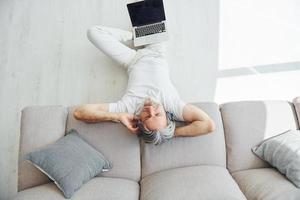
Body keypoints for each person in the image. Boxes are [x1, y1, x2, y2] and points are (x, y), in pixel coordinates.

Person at [73, 25, 215, 145]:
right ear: (167, 117)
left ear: (139, 120)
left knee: (93, 32)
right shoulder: (173, 106)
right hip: (157, 53)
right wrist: (171, 134)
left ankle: (140, 34)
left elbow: (79, 113)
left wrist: (117, 116)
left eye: (147, 117)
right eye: (158, 114)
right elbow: (208, 125)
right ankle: (141, 34)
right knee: (151, 12)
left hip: (131, 61)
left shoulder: (128, 109)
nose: (150, 110)